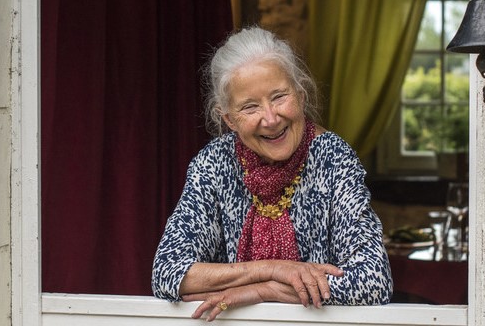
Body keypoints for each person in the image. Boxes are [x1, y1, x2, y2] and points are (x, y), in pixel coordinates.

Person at [152, 27, 392, 321]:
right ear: (230, 120)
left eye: (279, 97)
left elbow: (373, 282)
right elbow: (167, 273)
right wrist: (272, 269)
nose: (270, 118)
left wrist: (265, 291)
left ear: (301, 96)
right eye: (250, 107)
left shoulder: (333, 158)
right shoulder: (214, 163)